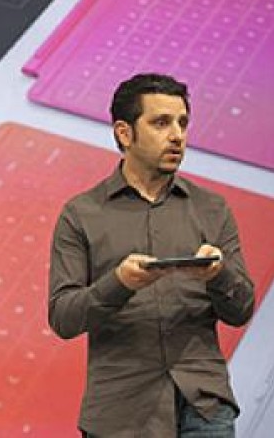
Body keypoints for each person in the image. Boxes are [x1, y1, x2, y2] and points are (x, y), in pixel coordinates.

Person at [48, 73, 255, 437]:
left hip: (204, 403)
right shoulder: (81, 213)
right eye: (161, 123)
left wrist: (218, 275)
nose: (177, 135)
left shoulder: (212, 208)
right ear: (125, 133)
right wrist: (118, 283)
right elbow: (63, 318)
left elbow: (241, 311)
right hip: (120, 411)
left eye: (183, 123)